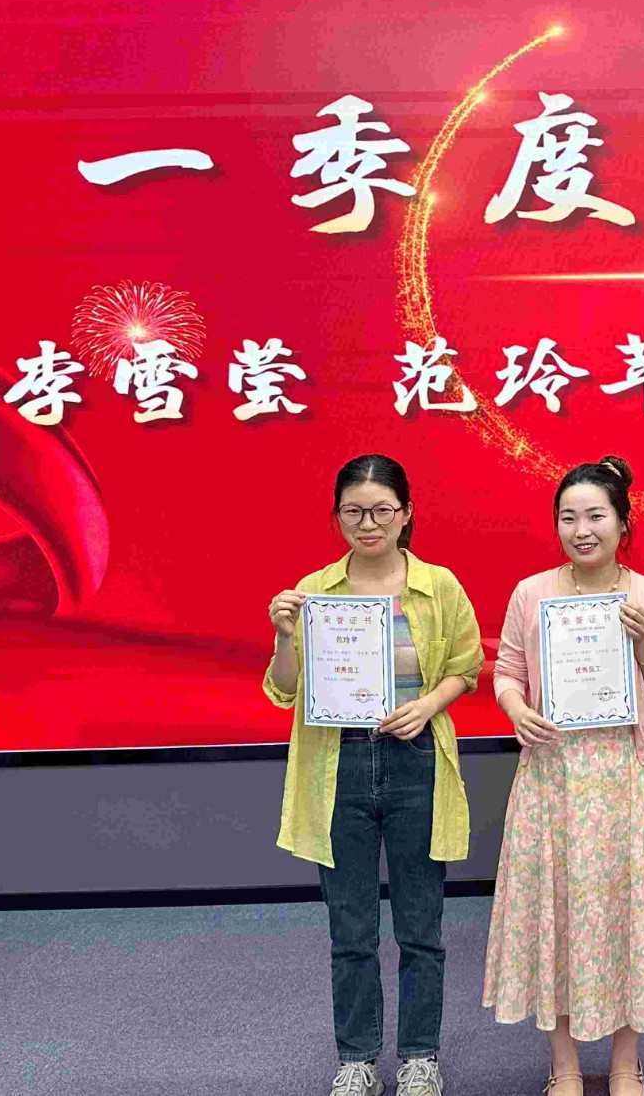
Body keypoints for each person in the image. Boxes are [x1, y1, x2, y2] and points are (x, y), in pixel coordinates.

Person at [264, 454, 483, 1096]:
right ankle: (357, 1059)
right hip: (340, 765)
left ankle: (420, 1058)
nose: (368, 523)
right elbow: (284, 688)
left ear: (406, 514)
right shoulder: (314, 592)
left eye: (382, 510)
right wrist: (284, 636)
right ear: (336, 517)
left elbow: (466, 668)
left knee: (421, 925)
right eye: (354, 511)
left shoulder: (439, 586)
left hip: (416, 760)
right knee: (351, 928)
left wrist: (428, 705)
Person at [482, 456, 644, 1096]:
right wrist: (517, 709)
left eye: (596, 516)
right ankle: (565, 1064)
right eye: (568, 518)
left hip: (624, 783)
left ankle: (628, 1063)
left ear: (623, 523)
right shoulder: (531, 593)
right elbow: (506, 672)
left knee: (627, 915)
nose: (582, 530)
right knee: (555, 917)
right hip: (552, 780)